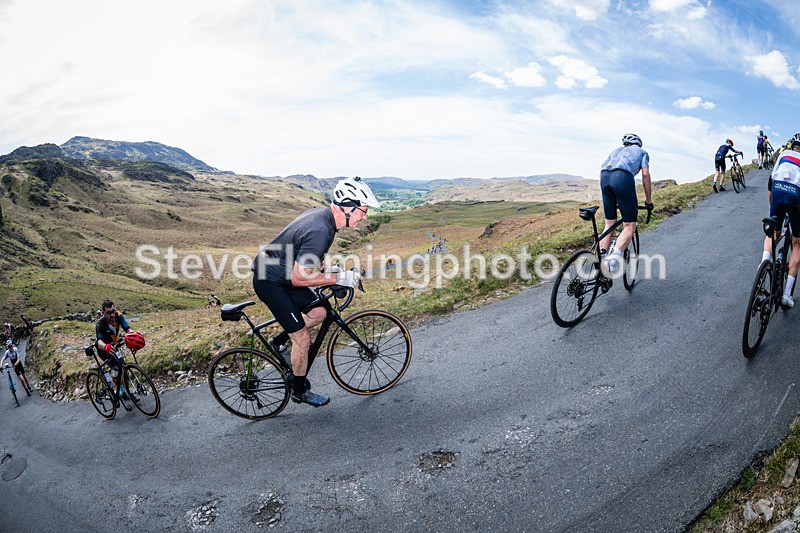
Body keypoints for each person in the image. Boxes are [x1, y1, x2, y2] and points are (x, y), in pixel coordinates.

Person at [252, 177, 380, 407]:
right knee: (302, 338)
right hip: (269, 280)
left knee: (320, 312)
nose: (365, 216)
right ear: (348, 208)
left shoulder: (325, 219)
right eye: (364, 211)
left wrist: (331, 272)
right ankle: (299, 390)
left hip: (282, 272)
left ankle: (278, 342)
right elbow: (300, 277)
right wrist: (340, 277)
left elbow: (307, 256)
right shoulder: (321, 229)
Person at [598, 133, 654, 274]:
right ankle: (613, 259)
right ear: (638, 144)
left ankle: (601, 257)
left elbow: (601, 171)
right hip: (623, 178)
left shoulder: (615, 151)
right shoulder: (642, 152)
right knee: (629, 226)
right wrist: (648, 201)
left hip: (605, 178)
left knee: (609, 224)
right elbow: (645, 175)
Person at [762, 138, 800, 309]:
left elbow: (770, 183)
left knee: (773, 233)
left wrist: (773, 210)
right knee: (798, 245)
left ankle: (763, 264)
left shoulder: (784, 154)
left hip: (777, 189)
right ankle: (786, 295)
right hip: (796, 194)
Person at [95, 299, 131, 391]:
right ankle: (115, 386)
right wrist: (105, 346)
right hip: (103, 349)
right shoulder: (100, 323)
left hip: (113, 346)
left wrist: (132, 335)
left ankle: (124, 391)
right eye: (108, 313)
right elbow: (99, 341)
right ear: (103, 313)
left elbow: (127, 328)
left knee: (123, 367)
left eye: (113, 311)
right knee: (117, 366)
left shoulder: (118, 316)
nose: (112, 315)